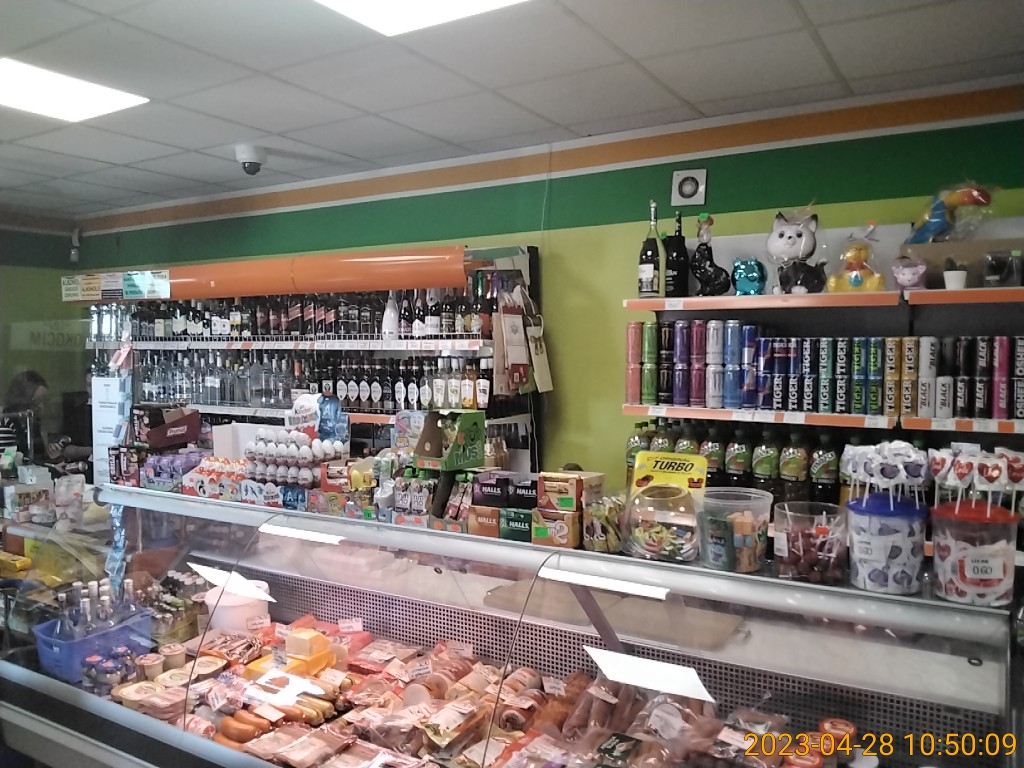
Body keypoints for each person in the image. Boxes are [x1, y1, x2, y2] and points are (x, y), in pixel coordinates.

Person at [0, 370, 49, 463]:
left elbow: (39, 456)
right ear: (22, 401)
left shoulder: (32, 422)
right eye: (36, 401)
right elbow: (5, 465)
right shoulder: (6, 423)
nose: (41, 406)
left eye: (44, 400)